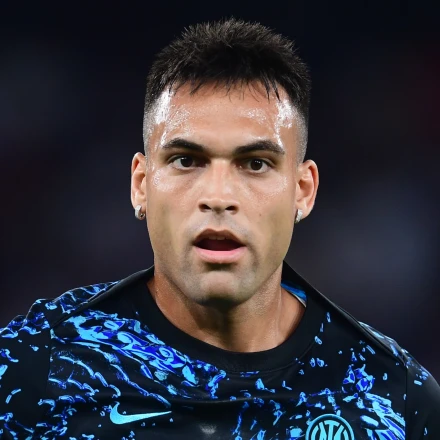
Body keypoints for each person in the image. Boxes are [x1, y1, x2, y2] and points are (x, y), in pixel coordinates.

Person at [1, 18, 439, 440]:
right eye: (186, 160)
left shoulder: (393, 396)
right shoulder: (33, 369)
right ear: (141, 185)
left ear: (303, 191)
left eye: (255, 164)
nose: (218, 196)